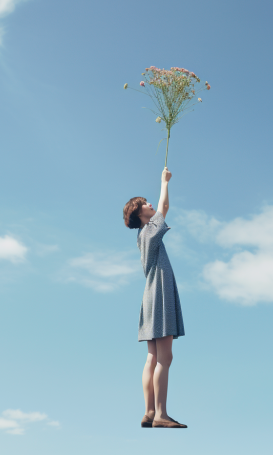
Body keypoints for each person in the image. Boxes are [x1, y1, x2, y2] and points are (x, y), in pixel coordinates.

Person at [123, 167, 187, 428]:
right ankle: (161, 414)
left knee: (152, 356)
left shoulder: (142, 236)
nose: (151, 204)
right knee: (165, 357)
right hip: (159, 294)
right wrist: (164, 182)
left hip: (149, 296)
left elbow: (160, 207)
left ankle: (149, 411)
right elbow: (165, 205)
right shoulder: (150, 230)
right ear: (140, 213)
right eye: (145, 204)